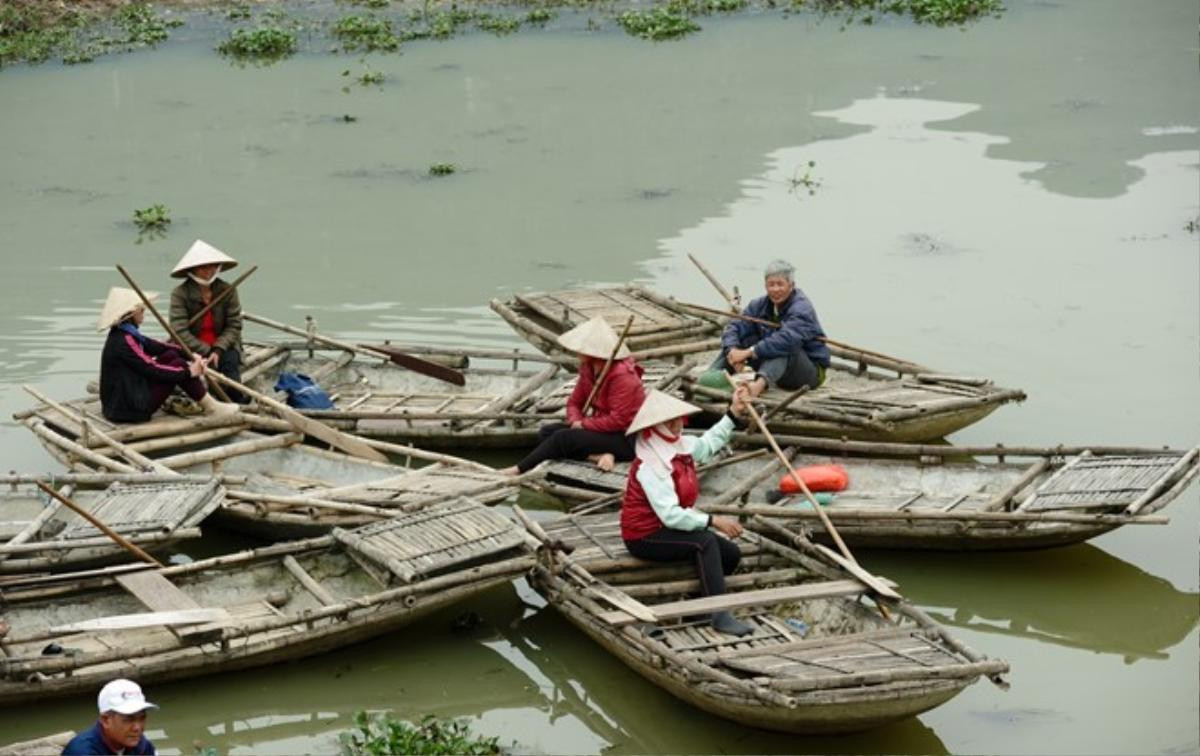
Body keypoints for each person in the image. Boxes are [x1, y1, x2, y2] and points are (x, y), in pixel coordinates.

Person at [620, 387, 755, 637]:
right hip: (644, 534)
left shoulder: (678, 446)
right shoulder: (649, 463)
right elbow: (670, 515)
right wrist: (713, 521)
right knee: (705, 542)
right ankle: (719, 613)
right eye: (668, 421)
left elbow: (706, 444)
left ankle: (697, 606)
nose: (676, 425)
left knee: (731, 554)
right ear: (655, 425)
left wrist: (733, 413)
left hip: (668, 527)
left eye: (677, 419)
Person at [500, 317, 646, 475]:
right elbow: (574, 403)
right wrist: (575, 420)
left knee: (564, 438)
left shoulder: (622, 376)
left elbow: (619, 420)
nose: (577, 351)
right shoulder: (588, 369)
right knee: (547, 432)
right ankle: (597, 456)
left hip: (626, 439)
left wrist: (584, 425)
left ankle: (517, 469)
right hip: (603, 430)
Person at [98, 286, 237, 423]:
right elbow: (151, 368)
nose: (143, 314)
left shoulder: (125, 333)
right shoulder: (124, 341)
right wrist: (188, 372)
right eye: (141, 310)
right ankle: (211, 408)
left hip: (124, 401)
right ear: (131, 314)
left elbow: (156, 346)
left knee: (171, 355)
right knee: (178, 365)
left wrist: (190, 355)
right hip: (128, 410)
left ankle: (209, 404)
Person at [713, 258, 830, 398]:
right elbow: (734, 326)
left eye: (780, 284)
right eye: (771, 284)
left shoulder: (802, 308)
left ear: (791, 285)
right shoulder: (759, 304)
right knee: (739, 341)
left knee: (783, 346)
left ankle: (757, 387)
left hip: (809, 373)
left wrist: (748, 353)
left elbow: (787, 339)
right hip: (777, 371)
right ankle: (709, 376)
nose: (775, 289)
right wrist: (733, 351)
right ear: (765, 286)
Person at [167, 239, 244, 400]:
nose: (208, 271)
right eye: (203, 267)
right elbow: (179, 330)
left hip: (223, 346)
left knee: (232, 385)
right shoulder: (180, 294)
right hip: (191, 347)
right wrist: (206, 351)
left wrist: (218, 349)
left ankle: (237, 401)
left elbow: (234, 325)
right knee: (184, 380)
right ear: (192, 269)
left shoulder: (227, 290)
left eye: (213, 266)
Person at [62, 678, 158, 755]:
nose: (137, 728)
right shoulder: (82, 752)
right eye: (129, 719)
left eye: (142, 718)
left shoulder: (140, 744)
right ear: (106, 720)